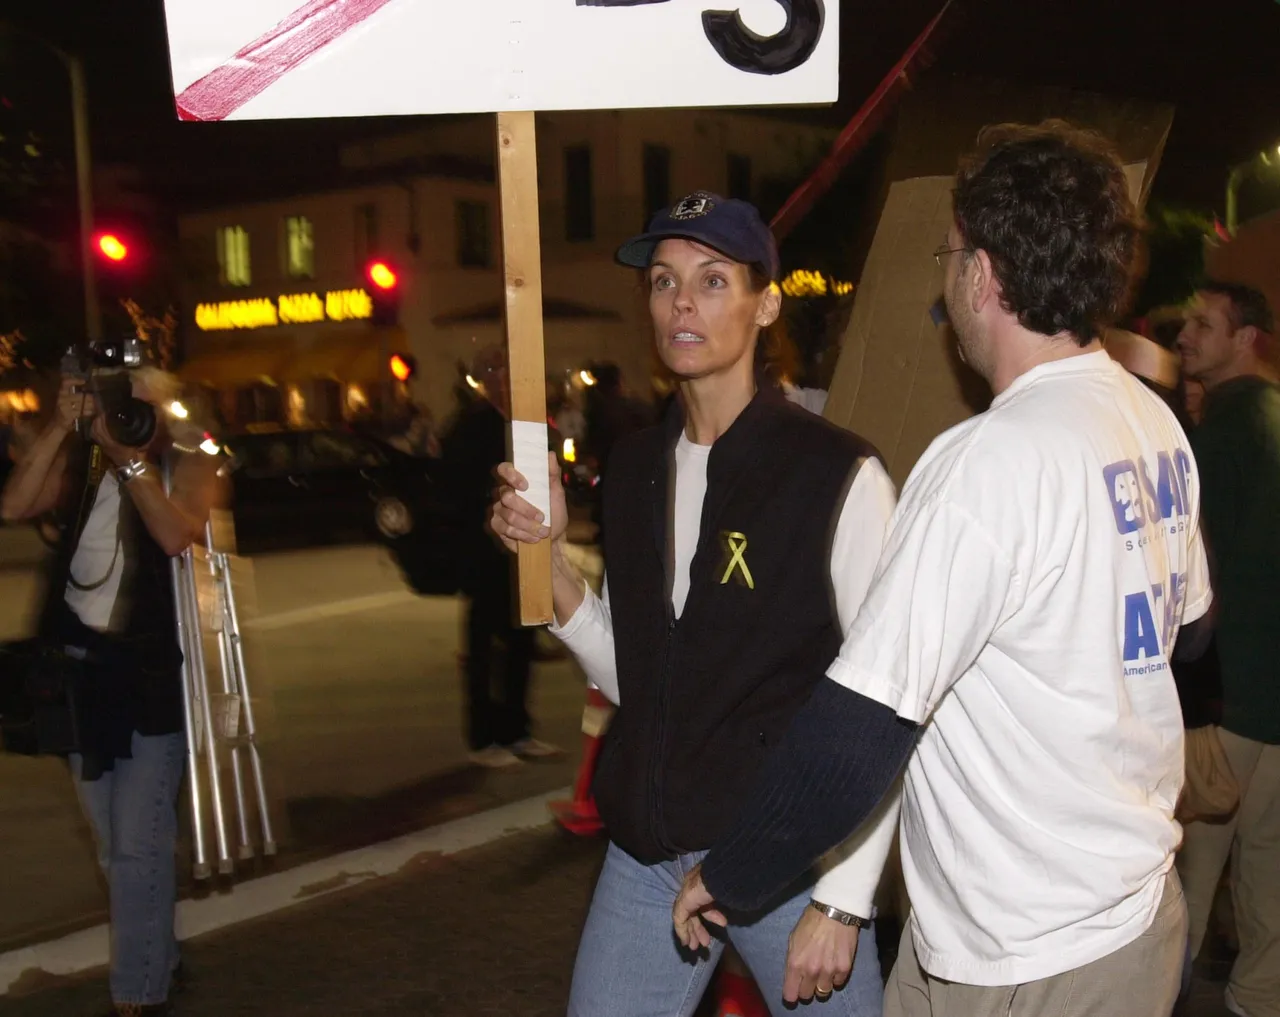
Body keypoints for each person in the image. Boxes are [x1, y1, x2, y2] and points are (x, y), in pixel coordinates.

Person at [672, 122, 1213, 1017]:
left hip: (1034, 949)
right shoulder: (1150, 421)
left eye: (950, 250)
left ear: (985, 274)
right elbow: (1190, 634)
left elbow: (859, 727)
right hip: (1101, 909)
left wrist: (736, 870)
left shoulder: (987, 460)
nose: (945, 272)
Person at [492, 190, 900, 1016]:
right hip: (650, 852)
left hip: (787, 854)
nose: (682, 301)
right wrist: (554, 571)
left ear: (766, 302)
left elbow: (893, 705)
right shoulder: (637, 465)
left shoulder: (838, 475)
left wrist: (846, 899)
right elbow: (643, 677)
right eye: (664, 281)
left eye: (714, 281)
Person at [1, 365, 221, 1017]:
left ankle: (138, 991)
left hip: (152, 678)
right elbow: (13, 505)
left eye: (144, 400)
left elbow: (176, 533)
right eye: (123, 400)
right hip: (79, 679)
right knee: (118, 845)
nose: (131, 412)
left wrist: (133, 461)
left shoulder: (192, 462)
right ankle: (161, 955)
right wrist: (60, 425)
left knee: (135, 845)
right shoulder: (84, 461)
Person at [1175, 281, 1280, 1017]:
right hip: (1275, 701)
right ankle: (1258, 1003)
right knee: (1268, 879)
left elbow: (1189, 574)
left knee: (1179, 882)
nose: (1185, 335)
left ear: (1246, 339)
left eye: (1204, 325)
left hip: (1224, 700)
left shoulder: (1216, 439)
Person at [440, 347, 560, 768]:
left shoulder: (520, 422)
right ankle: (484, 738)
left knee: (521, 640)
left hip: (517, 548)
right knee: (484, 647)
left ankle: (517, 730)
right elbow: (456, 491)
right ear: (489, 380)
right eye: (501, 374)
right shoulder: (471, 426)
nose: (509, 382)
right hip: (483, 553)